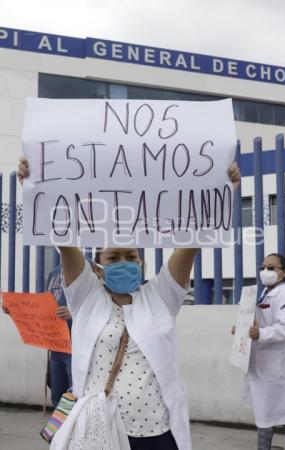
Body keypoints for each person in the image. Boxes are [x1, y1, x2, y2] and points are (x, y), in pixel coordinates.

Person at [18, 157, 240, 450]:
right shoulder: (87, 297)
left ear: (142, 263)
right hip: (101, 434)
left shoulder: (160, 297)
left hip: (157, 434)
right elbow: (64, 240)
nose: (124, 263)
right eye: (113, 257)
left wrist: (223, 189)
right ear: (97, 267)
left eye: (131, 257)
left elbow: (192, 242)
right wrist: (36, 188)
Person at [243, 253, 285, 450]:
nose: (265, 271)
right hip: (268, 368)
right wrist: (243, 329)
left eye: (271, 268)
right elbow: (261, 322)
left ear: (283, 272)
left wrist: (259, 333)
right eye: (263, 267)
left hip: (283, 369)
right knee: (266, 417)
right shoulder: (267, 292)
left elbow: (284, 329)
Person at [47, 264, 73, 408]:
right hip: (57, 347)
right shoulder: (53, 273)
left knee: (75, 396)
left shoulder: (90, 269)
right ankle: (60, 430)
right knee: (58, 397)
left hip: (77, 347)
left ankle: (76, 429)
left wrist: (74, 312)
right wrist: (14, 310)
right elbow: (44, 304)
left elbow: (98, 303)